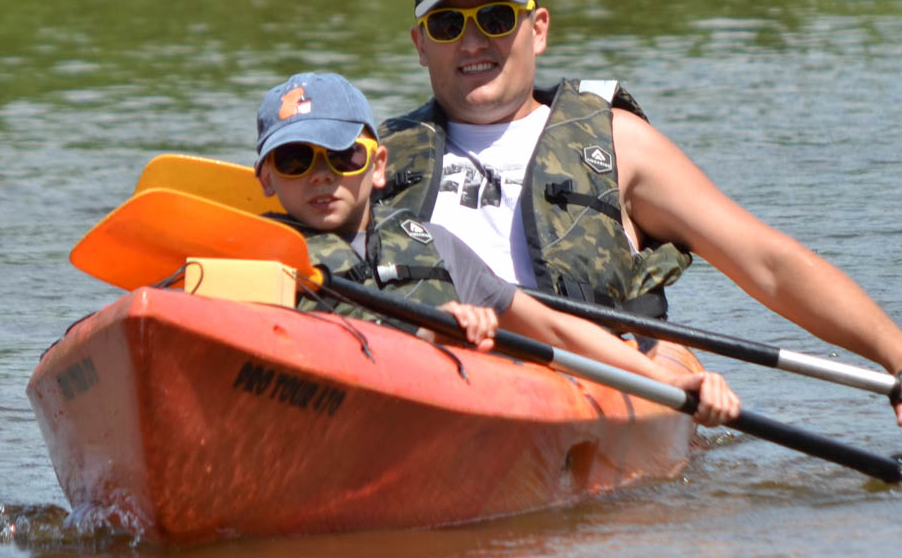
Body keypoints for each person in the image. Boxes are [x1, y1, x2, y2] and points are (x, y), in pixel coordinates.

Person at [377, 0, 902, 426]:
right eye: (447, 25)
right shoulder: (369, 160)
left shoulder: (616, 142)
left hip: (589, 388)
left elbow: (767, 262)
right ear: (419, 45)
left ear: (537, 29)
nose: (473, 41)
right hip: (431, 375)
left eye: (494, 17)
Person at [254, 71, 739, 426]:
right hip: (336, 415)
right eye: (296, 160)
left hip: (445, 415)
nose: (321, 175)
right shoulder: (256, 252)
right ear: (267, 178)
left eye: (342, 156)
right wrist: (429, 340)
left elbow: (550, 327)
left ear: (377, 166)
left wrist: (666, 383)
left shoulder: (434, 242)